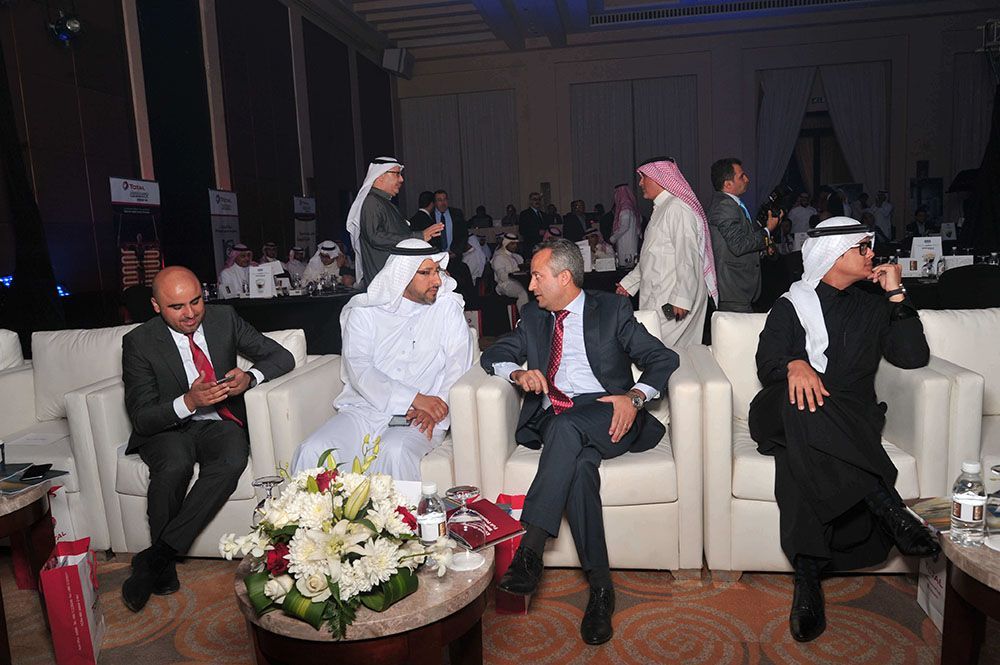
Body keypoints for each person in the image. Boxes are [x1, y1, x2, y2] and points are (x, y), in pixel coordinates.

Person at [748, 218, 939, 643]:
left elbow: (912, 358)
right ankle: (888, 507)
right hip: (779, 408)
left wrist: (896, 294)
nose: (872, 254)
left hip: (843, 420)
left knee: (797, 457)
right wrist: (795, 364)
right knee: (801, 400)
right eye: (863, 248)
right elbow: (767, 363)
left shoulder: (874, 305)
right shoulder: (790, 304)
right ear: (834, 255)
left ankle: (808, 579)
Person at [481, 239, 678, 645]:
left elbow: (663, 358)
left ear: (564, 277)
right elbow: (494, 354)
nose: (531, 285)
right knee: (580, 468)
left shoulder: (612, 310)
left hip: (610, 412)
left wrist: (635, 397)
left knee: (564, 429)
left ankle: (530, 550)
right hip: (560, 417)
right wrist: (517, 375)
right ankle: (602, 590)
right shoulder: (534, 317)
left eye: (537, 276)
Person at [120, 266, 294, 612]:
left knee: (231, 461)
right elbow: (142, 416)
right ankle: (164, 566)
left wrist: (251, 377)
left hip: (219, 422)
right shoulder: (138, 342)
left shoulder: (223, 318)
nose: (190, 313)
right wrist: (189, 401)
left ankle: (156, 558)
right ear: (157, 306)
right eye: (177, 307)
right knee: (174, 466)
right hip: (168, 426)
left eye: (196, 301)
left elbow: (281, 356)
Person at [291, 239, 473, 479]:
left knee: (394, 452)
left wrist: (437, 404)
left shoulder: (447, 307)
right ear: (402, 274)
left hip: (422, 416)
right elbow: (360, 370)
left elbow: (459, 365)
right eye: (426, 273)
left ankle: (398, 518)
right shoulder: (364, 312)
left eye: (437, 271)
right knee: (313, 450)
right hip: (364, 409)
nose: (437, 280)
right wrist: (415, 398)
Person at [616, 157, 718, 347]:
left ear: (658, 178)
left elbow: (687, 256)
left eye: (643, 177)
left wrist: (681, 300)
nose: (640, 183)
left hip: (674, 301)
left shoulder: (677, 208)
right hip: (662, 295)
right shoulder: (663, 209)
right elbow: (651, 255)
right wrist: (629, 284)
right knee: (660, 352)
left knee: (664, 351)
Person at [346, 157, 442, 285]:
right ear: (380, 176)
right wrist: (419, 236)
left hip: (393, 279)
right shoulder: (372, 202)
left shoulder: (384, 202)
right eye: (397, 174)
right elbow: (375, 237)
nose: (401, 179)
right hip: (384, 282)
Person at [706, 157, 780, 312]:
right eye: (741, 176)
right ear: (727, 184)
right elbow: (739, 245)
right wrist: (768, 230)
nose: (747, 179)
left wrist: (764, 249)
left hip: (738, 287)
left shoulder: (733, 204)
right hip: (733, 287)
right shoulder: (725, 206)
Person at [491, 232, 529, 310]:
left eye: (516, 244)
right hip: (505, 284)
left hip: (521, 281)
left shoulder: (518, 257)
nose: (515, 246)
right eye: (512, 244)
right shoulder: (499, 257)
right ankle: (524, 317)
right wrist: (514, 274)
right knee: (523, 293)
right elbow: (501, 276)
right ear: (506, 243)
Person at [608, 183, 640, 267]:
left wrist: (613, 238)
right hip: (631, 242)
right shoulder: (631, 208)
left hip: (626, 244)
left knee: (625, 266)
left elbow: (624, 227)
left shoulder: (625, 210)